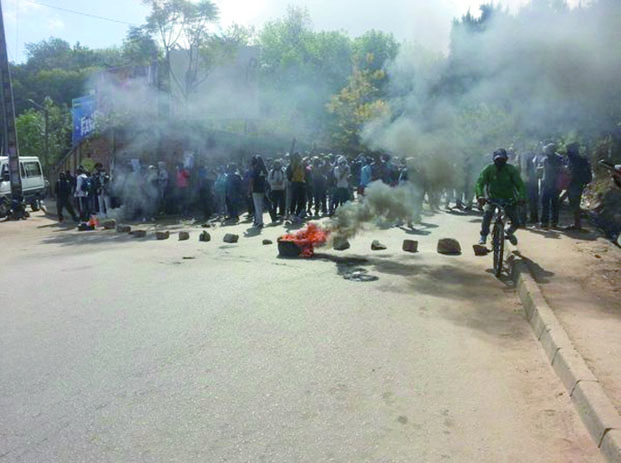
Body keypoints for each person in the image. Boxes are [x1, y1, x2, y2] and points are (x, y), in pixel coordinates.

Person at [475, 148, 526, 245]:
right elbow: (480, 183)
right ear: (494, 160)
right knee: (487, 216)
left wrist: (522, 197)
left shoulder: (511, 169)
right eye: (498, 160)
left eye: (502, 160)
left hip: (509, 199)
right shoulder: (488, 169)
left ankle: (508, 232)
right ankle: (483, 236)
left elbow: (520, 185)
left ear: (506, 159)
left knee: (516, 222)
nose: (500, 162)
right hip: (492, 199)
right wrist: (480, 196)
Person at [564, 142, 592, 230]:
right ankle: (577, 223)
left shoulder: (574, 160)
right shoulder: (582, 159)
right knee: (575, 203)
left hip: (574, 184)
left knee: (574, 204)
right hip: (579, 184)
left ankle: (577, 224)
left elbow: (572, 173)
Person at [540, 143, 564, 228]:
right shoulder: (559, 159)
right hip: (556, 184)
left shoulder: (546, 159)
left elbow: (547, 172)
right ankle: (554, 222)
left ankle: (544, 222)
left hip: (547, 184)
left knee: (545, 203)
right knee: (555, 204)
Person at [248, 155, 269, 228]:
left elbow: (251, 181)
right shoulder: (263, 169)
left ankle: (260, 222)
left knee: (257, 207)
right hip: (262, 189)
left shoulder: (255, 169)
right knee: (260, 206)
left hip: (256, 190)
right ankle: (258, 221)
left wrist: (249, 190)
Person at [286, 153, 307, 218]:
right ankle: (292, 213)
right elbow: (288, 173)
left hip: (301, 183)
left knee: (301, 199)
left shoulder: (301, 164)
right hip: (295, 183)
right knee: (294, 199)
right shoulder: (292, 165)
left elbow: (307, 158)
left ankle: (297, 213)